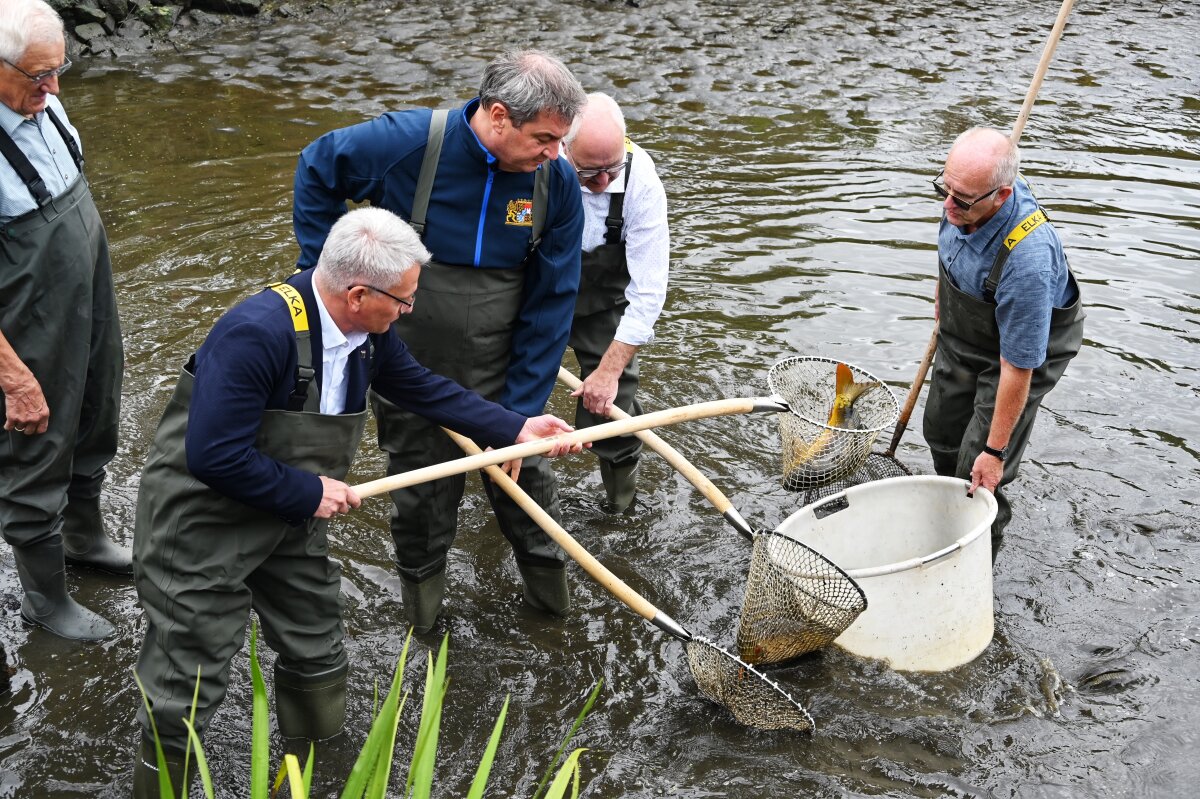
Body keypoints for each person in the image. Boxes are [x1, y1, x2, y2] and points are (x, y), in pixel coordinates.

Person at [131, 207, 582, 796]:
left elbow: (419, 386)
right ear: (358, 293)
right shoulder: (256, 333)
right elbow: (213, 456)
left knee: (318, 649)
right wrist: (309, 490)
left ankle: (310, 778)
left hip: (289, 521)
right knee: (187, 682)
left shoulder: (369, 335)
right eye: (402, 301)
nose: (407, 312)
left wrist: (514, 427)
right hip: (201, 525)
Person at [293, 50, 586, 632]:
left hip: (503, 369)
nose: (556, 152)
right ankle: (424, 628)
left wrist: (524, 412)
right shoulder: (405, 143)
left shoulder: (557, 183)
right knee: (423, 506)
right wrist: (323, 276)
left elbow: (553, 302)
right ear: (498, 116)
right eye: (545, 138)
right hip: (411, 365)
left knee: (530, 500)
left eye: (561, 139)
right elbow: (316, 167)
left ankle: (554, 618)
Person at [0, 0, 128, 643]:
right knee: (36, 444)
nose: (52, 90)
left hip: (86, 293)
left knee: (96, 409)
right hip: (25, 321)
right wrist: (12, 377)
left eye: (59, 73)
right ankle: (44, 599)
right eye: (37, 77)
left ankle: (85, 539)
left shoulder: (42, 97)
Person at [922, 126, 1084, 558]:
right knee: (939, 433)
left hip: (1020, 353)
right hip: (968, 328)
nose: (946, 204)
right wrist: (943, 298)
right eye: (945, 187)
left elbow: (1018, 366)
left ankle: (976, 560)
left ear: (1003, 196)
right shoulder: (964, 192)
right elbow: (949, 243)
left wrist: (994, 452)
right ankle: (947, 516)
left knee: (977, 470)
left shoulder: (1027, 260)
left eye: (961, 199)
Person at [562, 93, 669, 511]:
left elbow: (648, 292)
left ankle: (620, 508)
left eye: (612, 169)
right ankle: (520, 492)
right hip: (534, 292)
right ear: (563, 149)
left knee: (615, 406)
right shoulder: (538, 160)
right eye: (589, 172)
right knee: (510, 397)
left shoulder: (642, 184)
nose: (603, 182)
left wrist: (607, 373)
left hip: (601, 304)